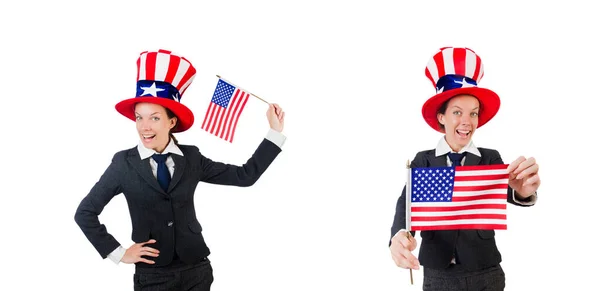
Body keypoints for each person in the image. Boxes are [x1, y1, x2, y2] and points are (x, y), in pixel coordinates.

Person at [74, 49, 286, 291]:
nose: (144, 127)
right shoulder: (123, 163)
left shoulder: (192, 158)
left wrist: (274, 133)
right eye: (139, 118)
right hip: (153, 277)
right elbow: (85, 212)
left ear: (171, 122)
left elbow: (245, 176)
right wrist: (119, 253)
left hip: (197, 270)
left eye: (154, 118)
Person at [389, 47, 540, 290]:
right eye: (457, 112)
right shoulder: (424, 161)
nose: (466, 122)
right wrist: (399, 237)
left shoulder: (490, 158)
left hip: (485, 271)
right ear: (442, 117)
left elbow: (504, 191)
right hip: (438, 274)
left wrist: (522, 191)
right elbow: (407, 205)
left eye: (473, 113)